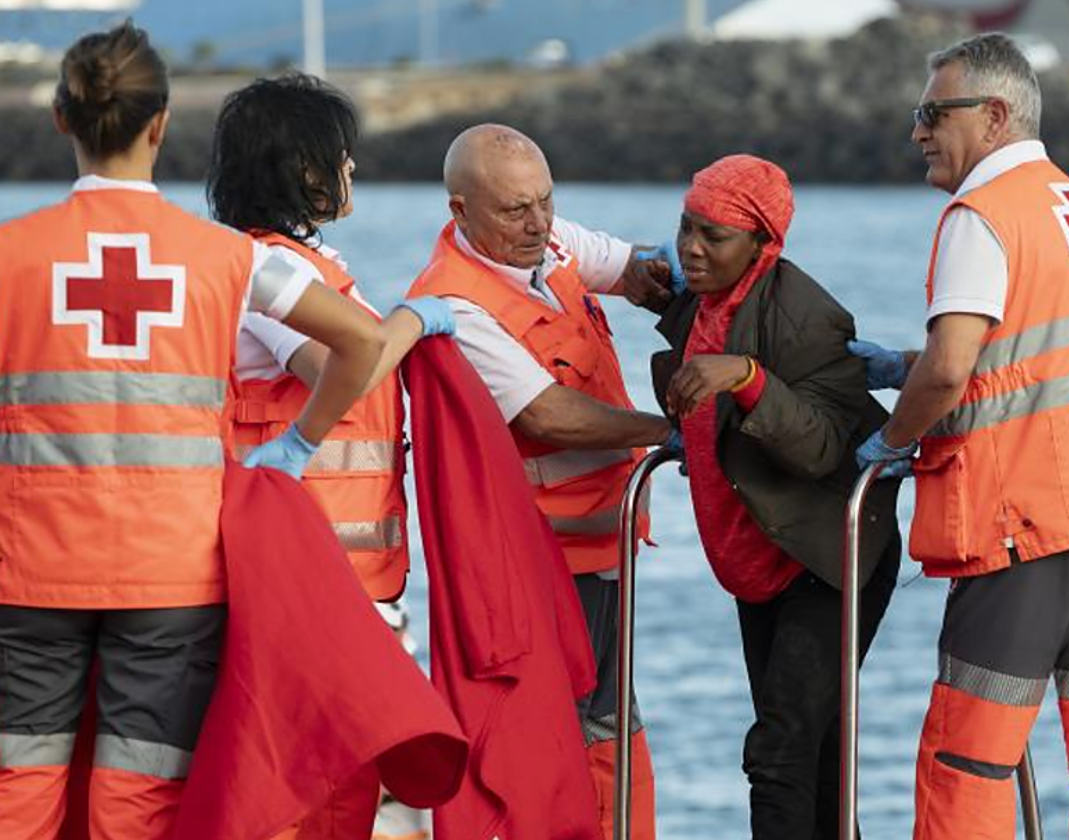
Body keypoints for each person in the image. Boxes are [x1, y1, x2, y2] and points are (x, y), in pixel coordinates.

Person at [0, 21, 383, 840]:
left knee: (19, 790)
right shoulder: (232, 259)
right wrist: (301, 444)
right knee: (140, 797)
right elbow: (359, 342)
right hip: (172, 577)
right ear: (162, 123)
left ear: (62, 120)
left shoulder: (11, 254)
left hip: (29, 570)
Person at [852, 33, 1069, 840]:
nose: (918, 132)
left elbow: (952, 372)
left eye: (933, 113)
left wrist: (892, 439)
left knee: (964, 759)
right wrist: (902, 361)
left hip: (1029, 524)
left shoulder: (982, 214)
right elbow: (1039, 350)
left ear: (994, 116)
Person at [206, 73, 454, 840]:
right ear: (306, 170)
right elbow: (338, 367)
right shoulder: (267, 276)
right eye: (341, 159)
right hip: (305, 579)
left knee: (344, 791)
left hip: (343, 581)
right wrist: (414, 322)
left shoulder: (300, 267)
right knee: (313, 796)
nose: (352, 173)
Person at [406, 123, 671, 839]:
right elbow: (552, 415)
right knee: (573, 733)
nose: (538, 224)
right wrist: (674, 433)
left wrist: (701, 287)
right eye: (515, 211)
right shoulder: (456, 304)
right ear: (461, 213)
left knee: (615, 723)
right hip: (544, 562)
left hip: (603, 549)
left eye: (545, 202)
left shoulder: (549, 245)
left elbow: (637, 269)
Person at [631, 154, 900, 840]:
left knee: (779, 752)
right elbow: (620, 266)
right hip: (760, 551)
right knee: (817, 754)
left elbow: (821, 446)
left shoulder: (808, 318)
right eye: (686, 228)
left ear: (762, 245)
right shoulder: (700, 294)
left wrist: (747, 378)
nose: (692, 248)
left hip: (830, 552)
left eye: (713, 237)